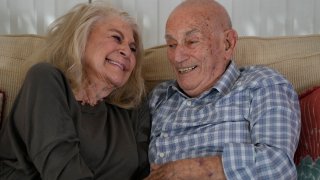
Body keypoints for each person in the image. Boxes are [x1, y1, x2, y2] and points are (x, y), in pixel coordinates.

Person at [146, 0, 301, 179]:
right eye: (171, 44)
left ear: (227, 43)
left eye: (191, 41)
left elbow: (278, 167)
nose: (177, 57)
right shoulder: (158, 98)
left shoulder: (263, 84)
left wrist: (184, 170)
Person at [0, 2, 150, 180]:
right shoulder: (46, 80)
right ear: (81, 38)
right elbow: (62, 169)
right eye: (116, 38)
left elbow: (147, 174)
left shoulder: (133, 108)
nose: (127, 51)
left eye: (133, 49)